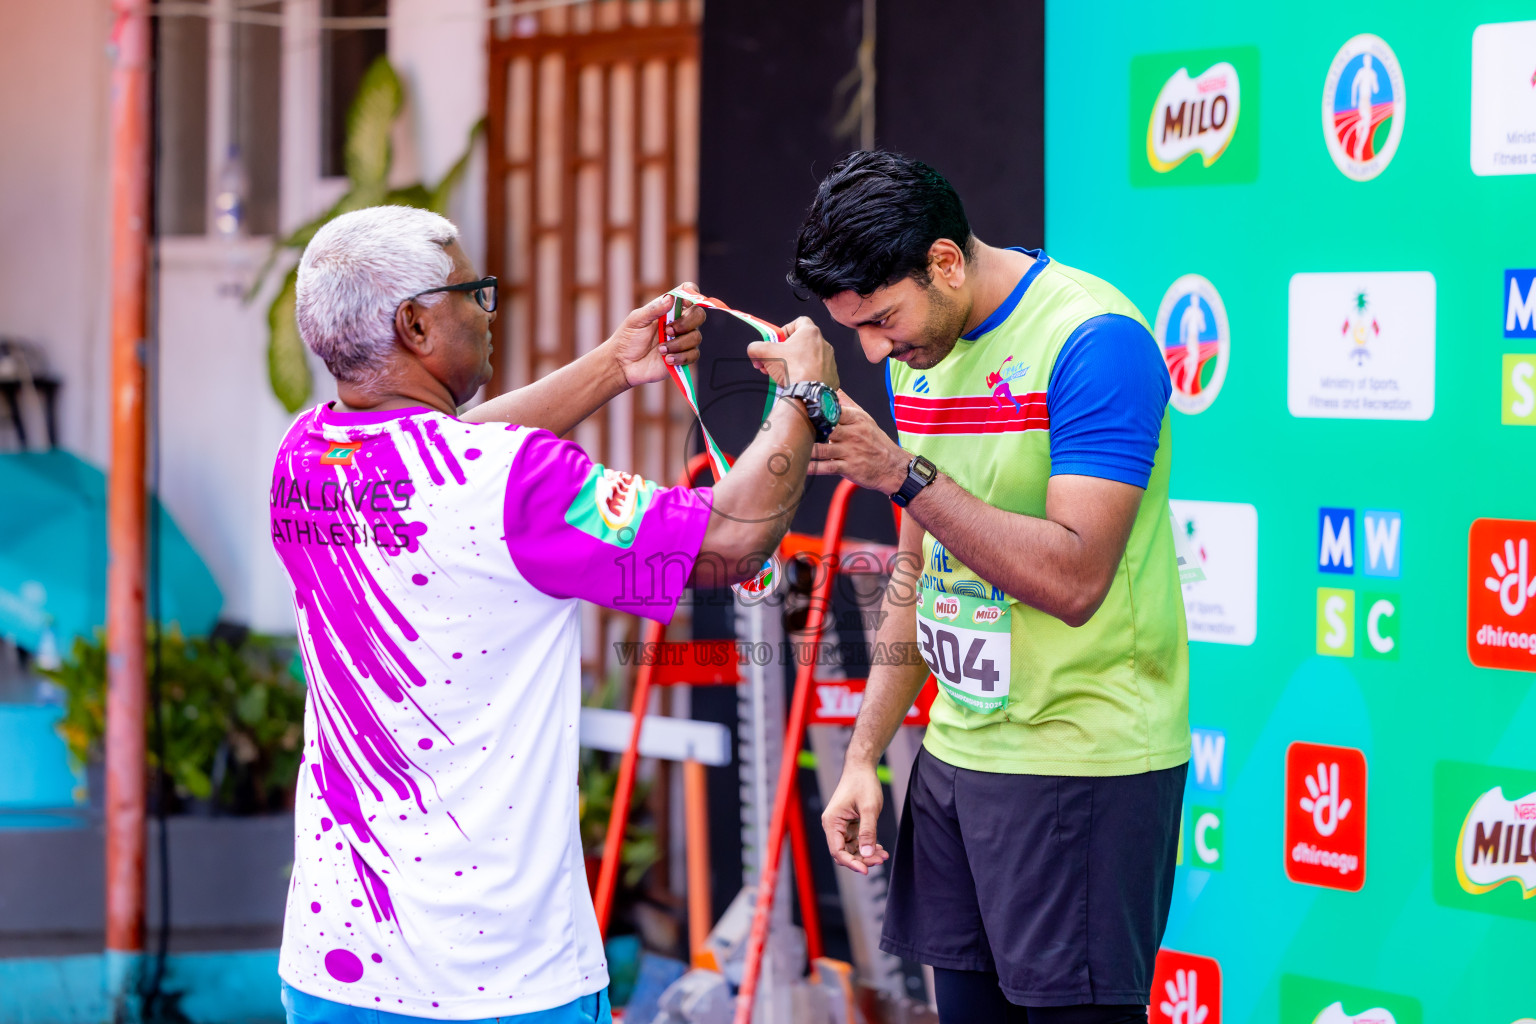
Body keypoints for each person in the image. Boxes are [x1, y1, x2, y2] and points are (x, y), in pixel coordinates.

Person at [270, 205, 842, 1023]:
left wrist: (614, 366)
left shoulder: (302, 458)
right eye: (477, 292)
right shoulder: (516, 483)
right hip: (503, 980)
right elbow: (733, 539)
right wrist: (802, 394)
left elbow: (446, 451)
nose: (489, 312)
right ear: (416, 325)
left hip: (336, 966)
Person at [801, 152, 1189, 1024]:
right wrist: (865, 756)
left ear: (945, 262)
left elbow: (1075, 576)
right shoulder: (918, 350)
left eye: (882, 319)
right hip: (957, 759)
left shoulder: (1095, 341)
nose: (873, 349)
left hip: (1081, 762)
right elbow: (919, 562)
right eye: (854, 328)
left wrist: (904, 473)